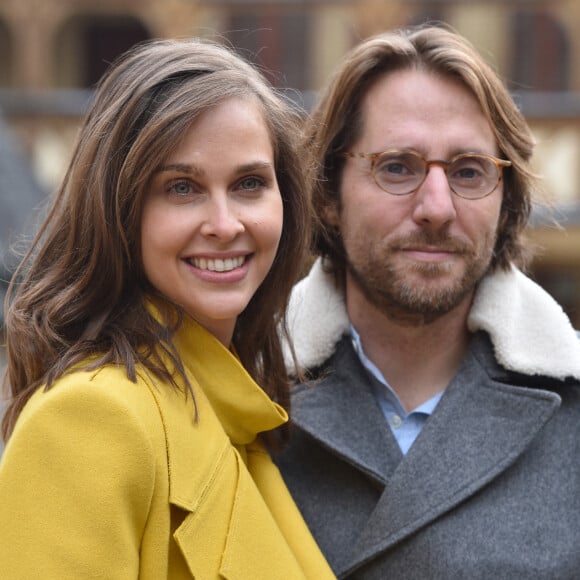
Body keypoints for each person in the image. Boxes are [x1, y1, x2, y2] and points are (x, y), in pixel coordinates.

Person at [0, 38, 335, 579]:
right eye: (182, 188)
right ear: (117, 210)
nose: (226, 224)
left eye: (250, 183)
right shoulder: (90, 420)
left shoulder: (234, 419)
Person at [276, 24, 580, 579]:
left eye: (469, 172)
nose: (437, 207)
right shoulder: (242, 395)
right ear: (327, 196)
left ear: (505, 201)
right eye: (397, 166)